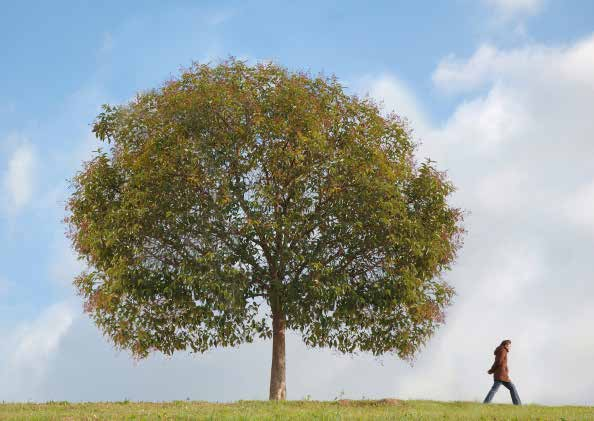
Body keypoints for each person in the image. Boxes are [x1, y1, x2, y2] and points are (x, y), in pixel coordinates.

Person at [483, 339, 522, 405]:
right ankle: (518, 404)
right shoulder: (503, 350)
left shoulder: (502, 350)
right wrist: (491, 370)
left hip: (501, 374)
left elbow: (499, 362)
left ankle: (486, 403)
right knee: (511, 388)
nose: (510, 347)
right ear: (506, 345)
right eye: (509, 345)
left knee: (495, 389)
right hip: (501, 375)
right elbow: (498, 362)